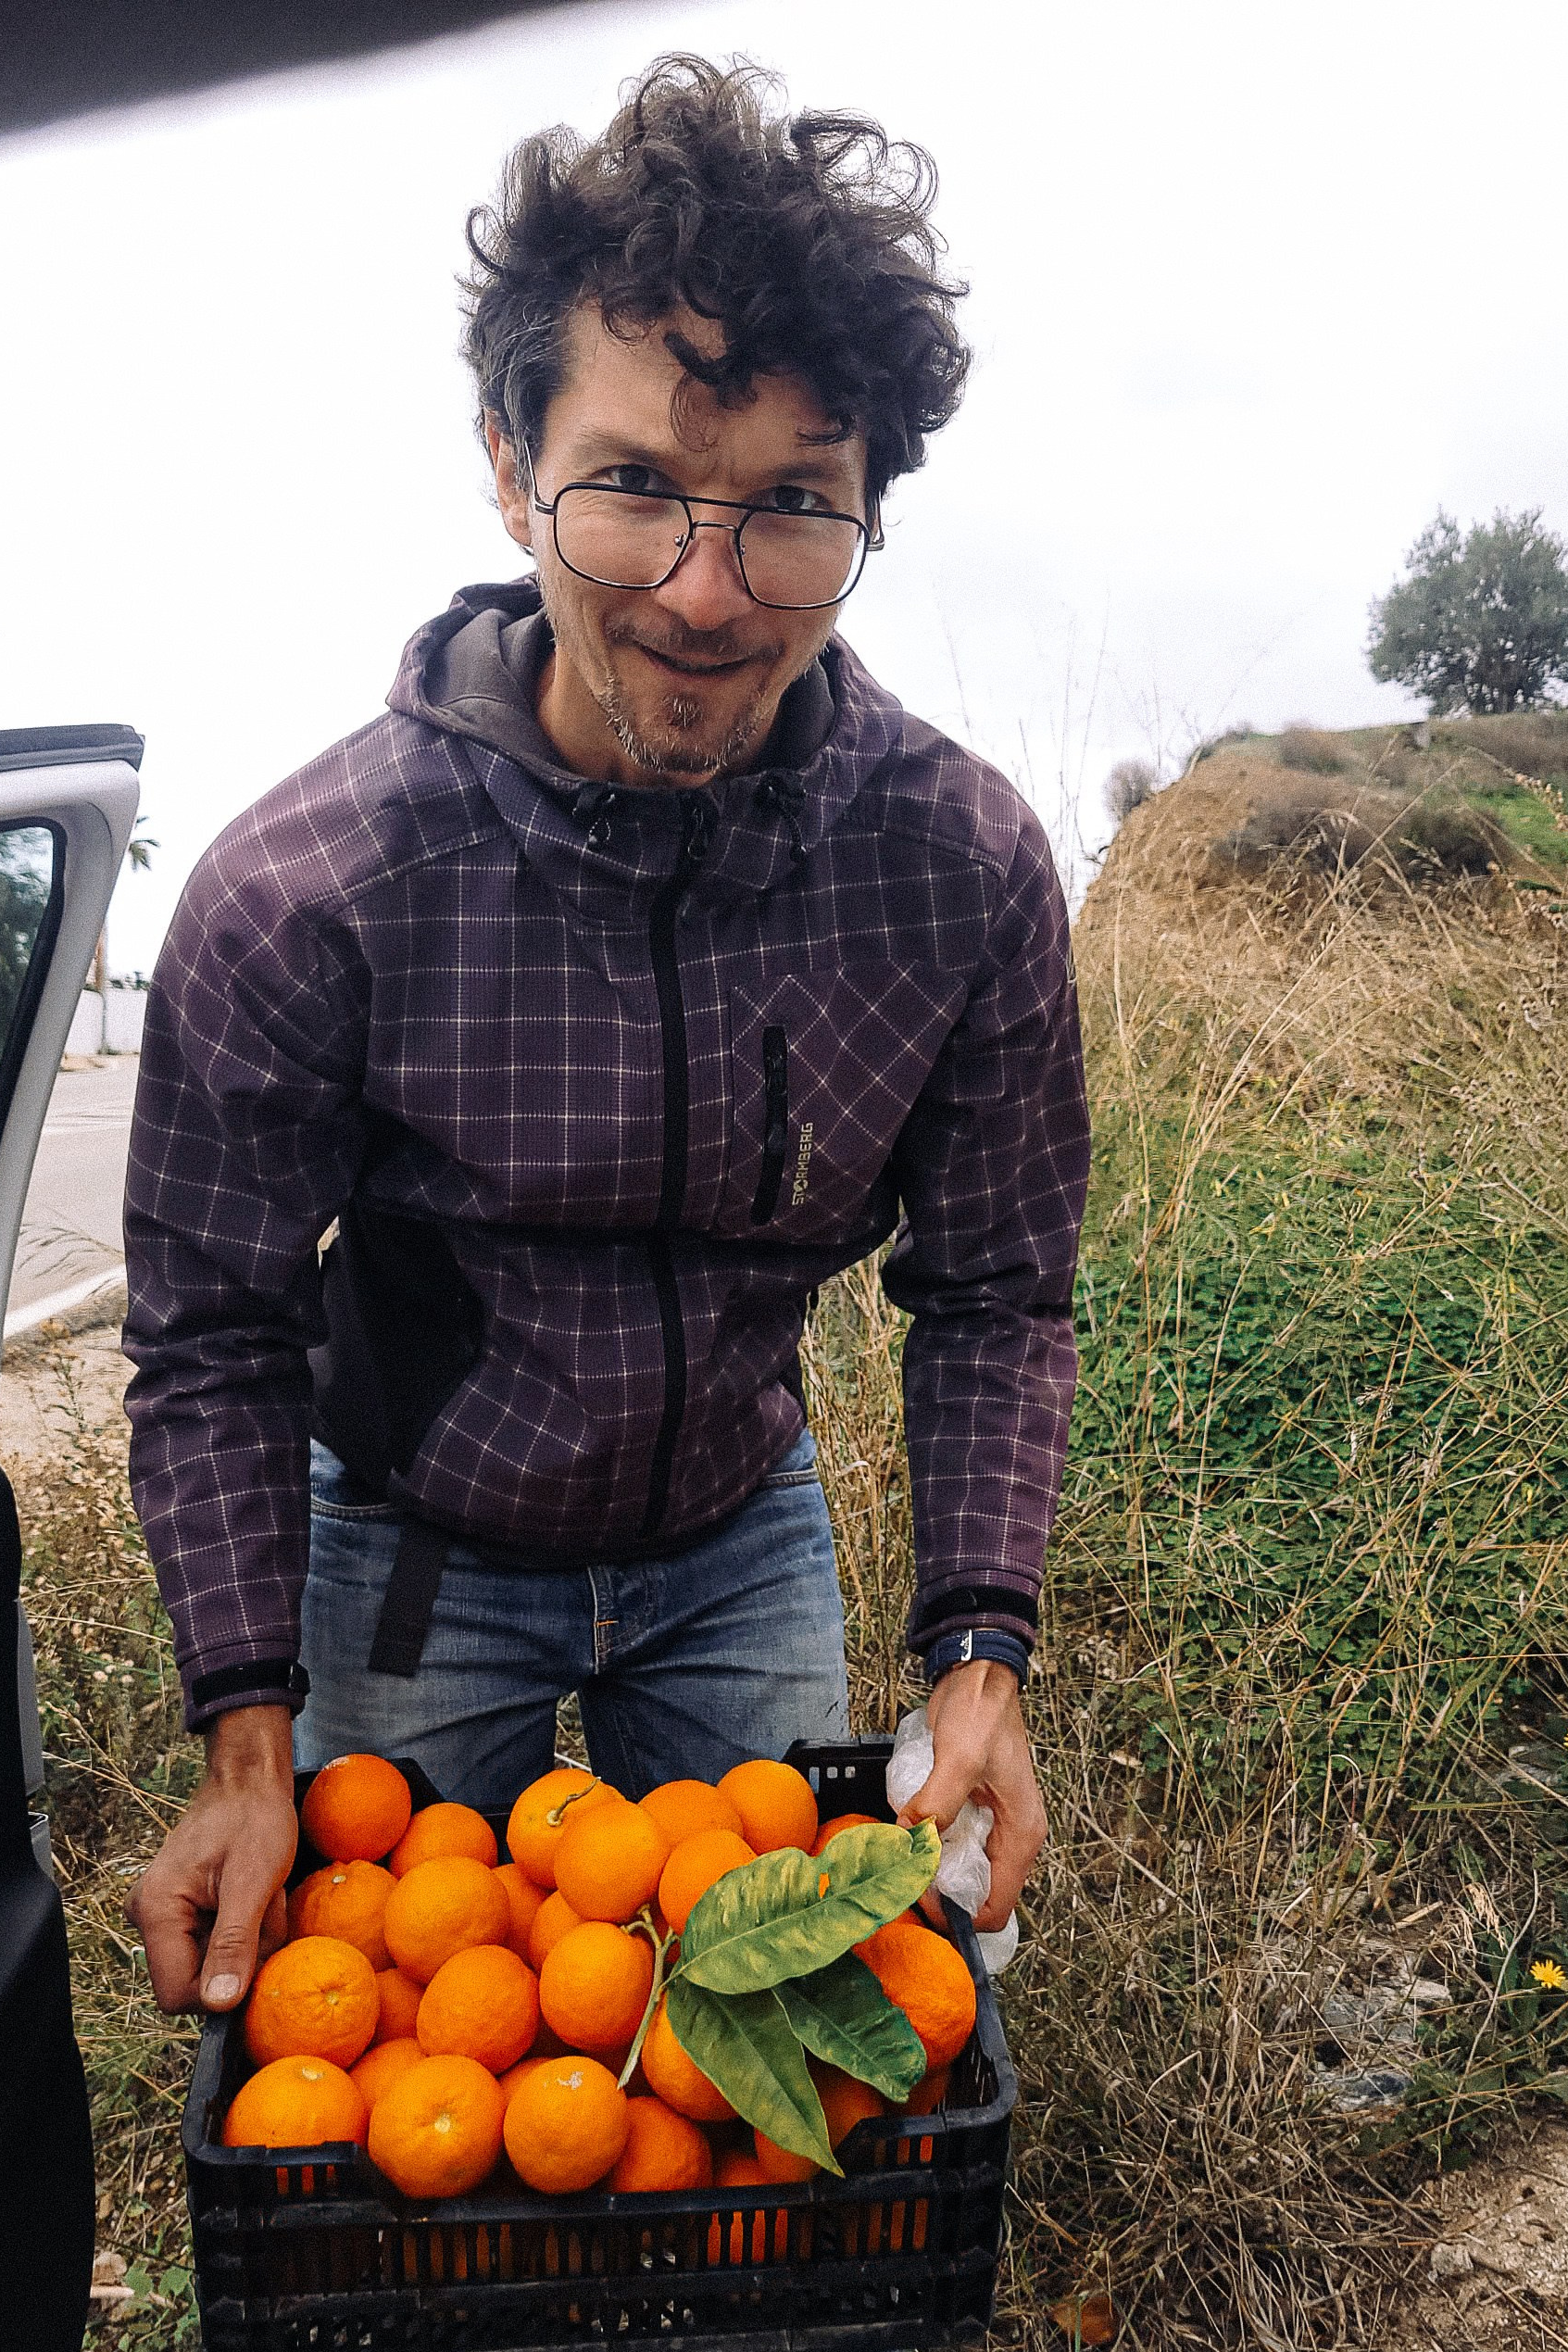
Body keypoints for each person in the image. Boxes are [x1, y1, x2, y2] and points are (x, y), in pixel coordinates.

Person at [122, 56, 1091, 2034]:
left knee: (751, 2094)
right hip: (405, 1544)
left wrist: (979, 1654)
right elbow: (214, 1327)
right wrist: (244, 1732)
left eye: (794, 510)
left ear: (870, 509)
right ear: (507, 458)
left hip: (742, 1537)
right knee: (417, 2088)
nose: (706, 594)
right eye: (636, 483)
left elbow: (999, 1288)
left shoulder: (964, 867)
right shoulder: (304, 889)